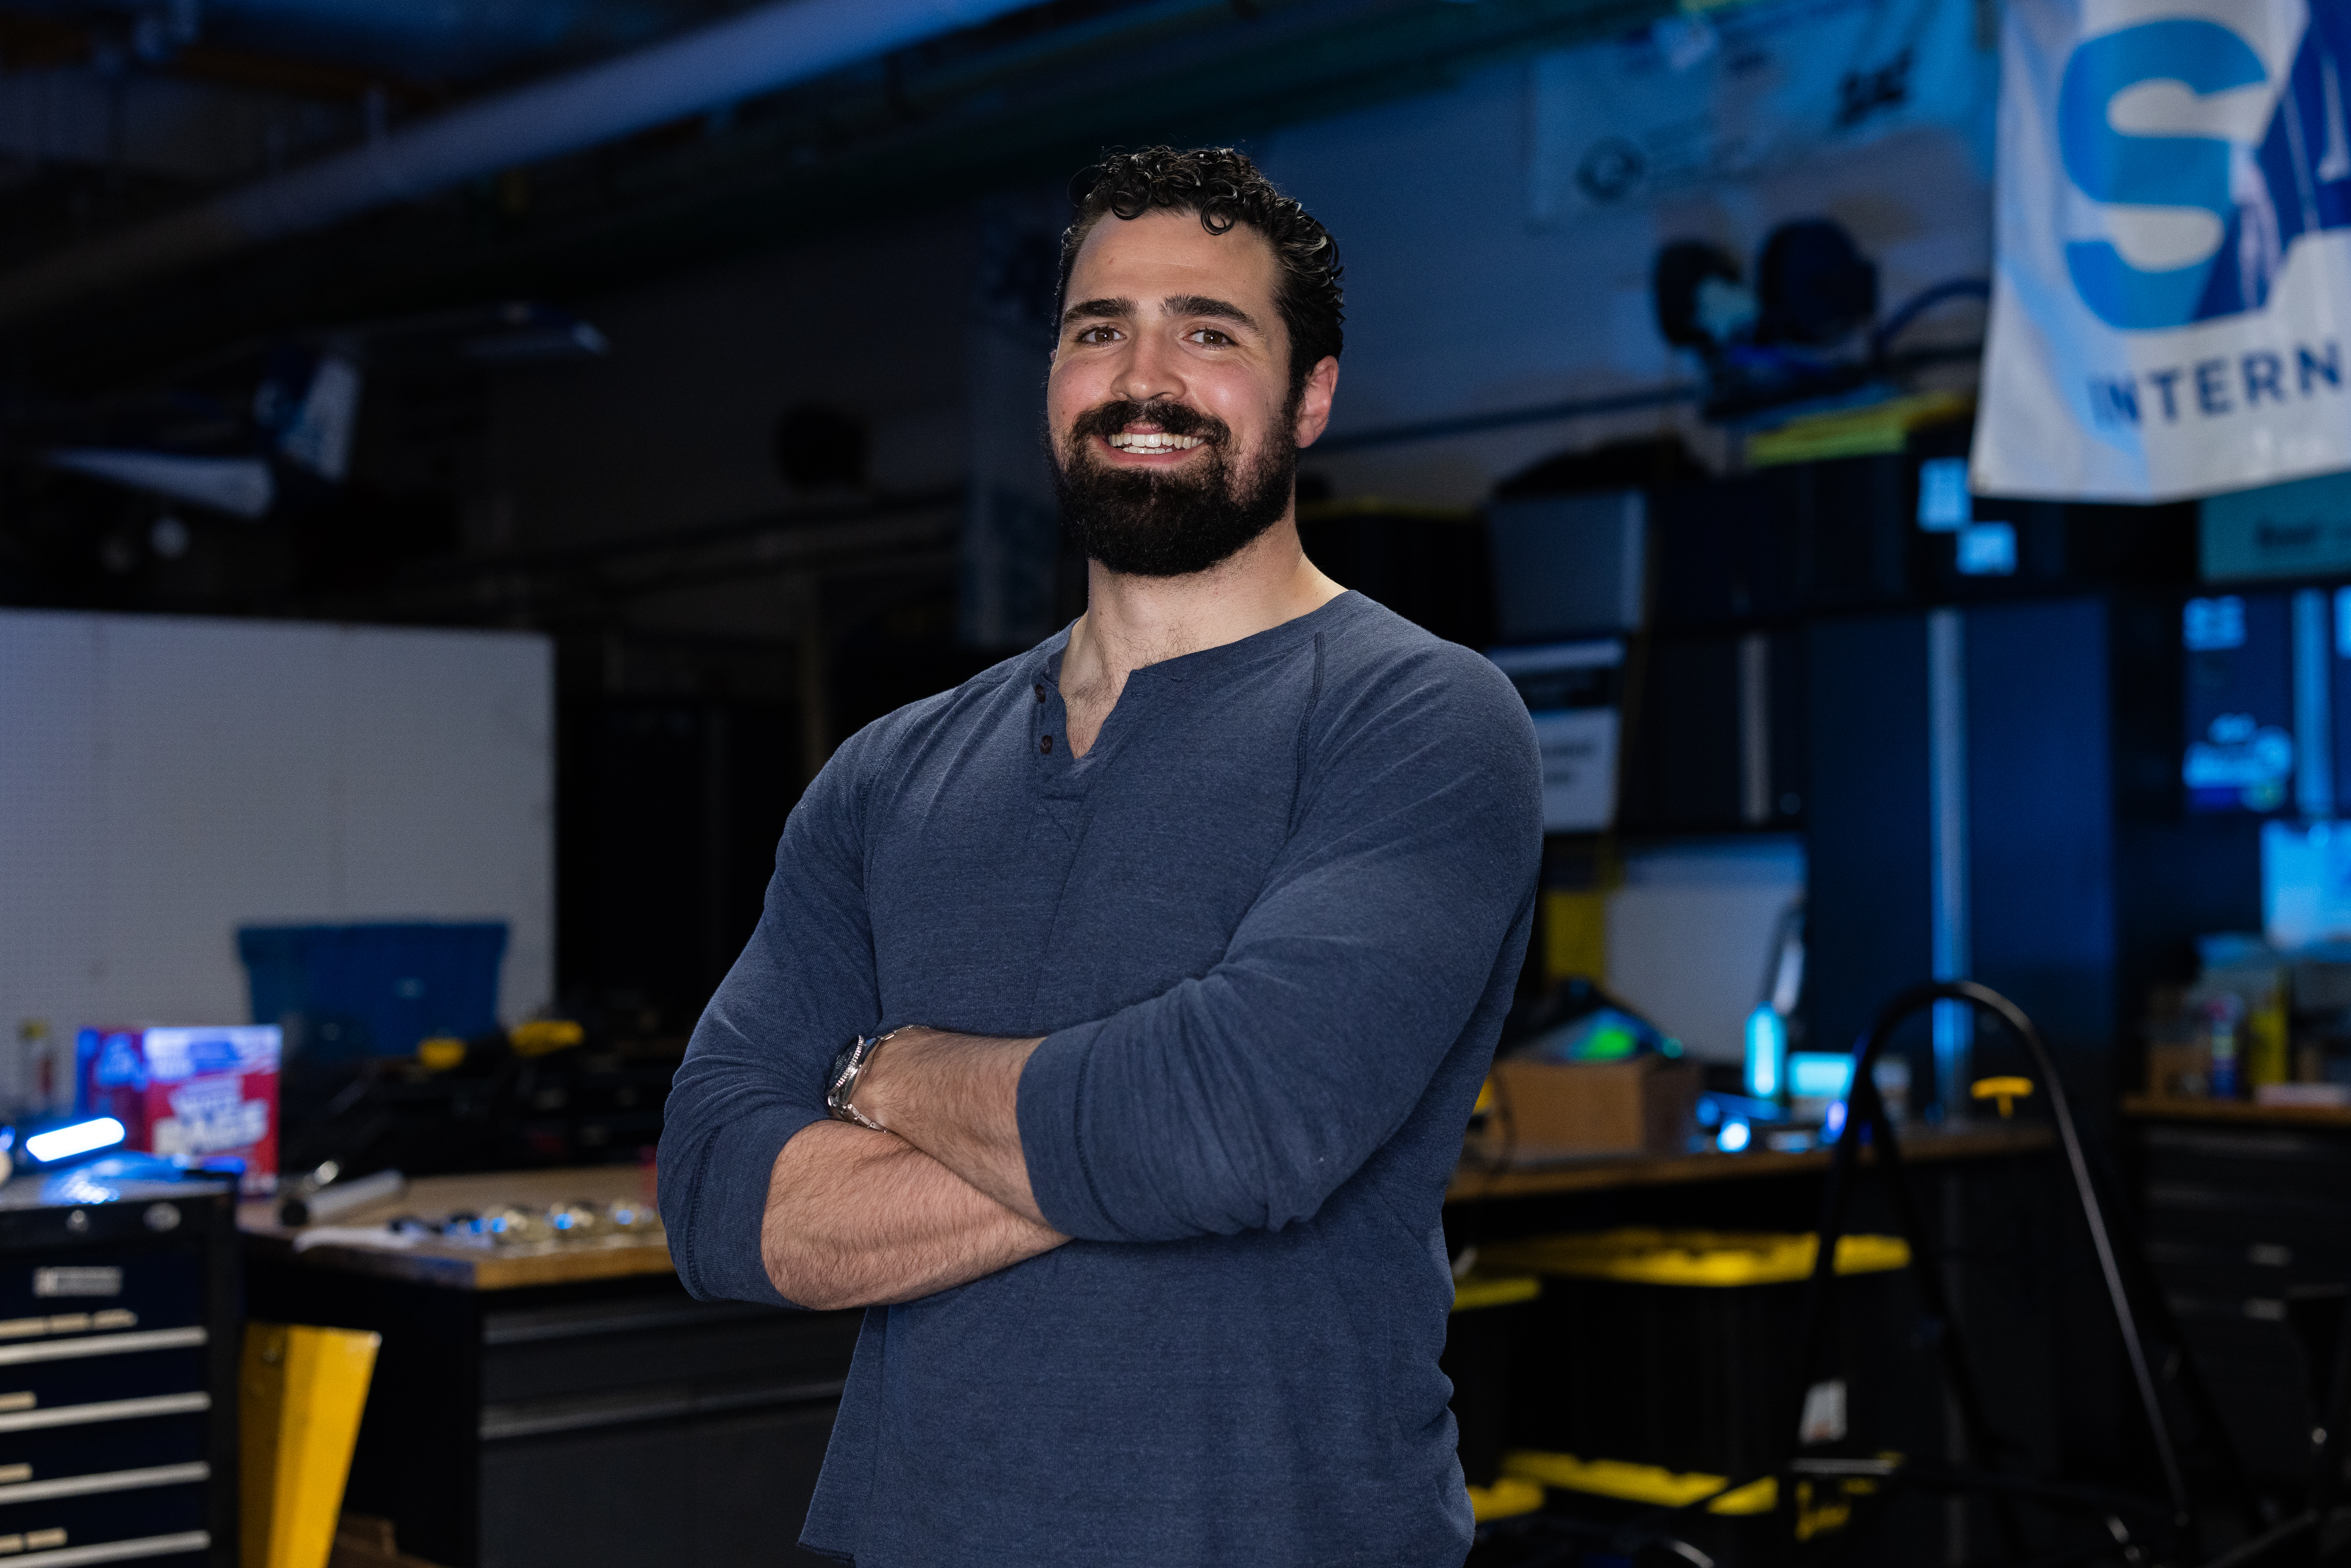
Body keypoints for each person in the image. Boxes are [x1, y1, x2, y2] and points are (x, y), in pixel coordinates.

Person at [658, 145, 1542, 1567]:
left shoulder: (1420, 718)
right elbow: (713, 1195)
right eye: (1097, 330)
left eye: (1209, 330)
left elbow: (1240, 1122)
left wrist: (882, 1073)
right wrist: (1133, 1143)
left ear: (1310, 395)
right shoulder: (888, 774)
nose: (1144, 377)